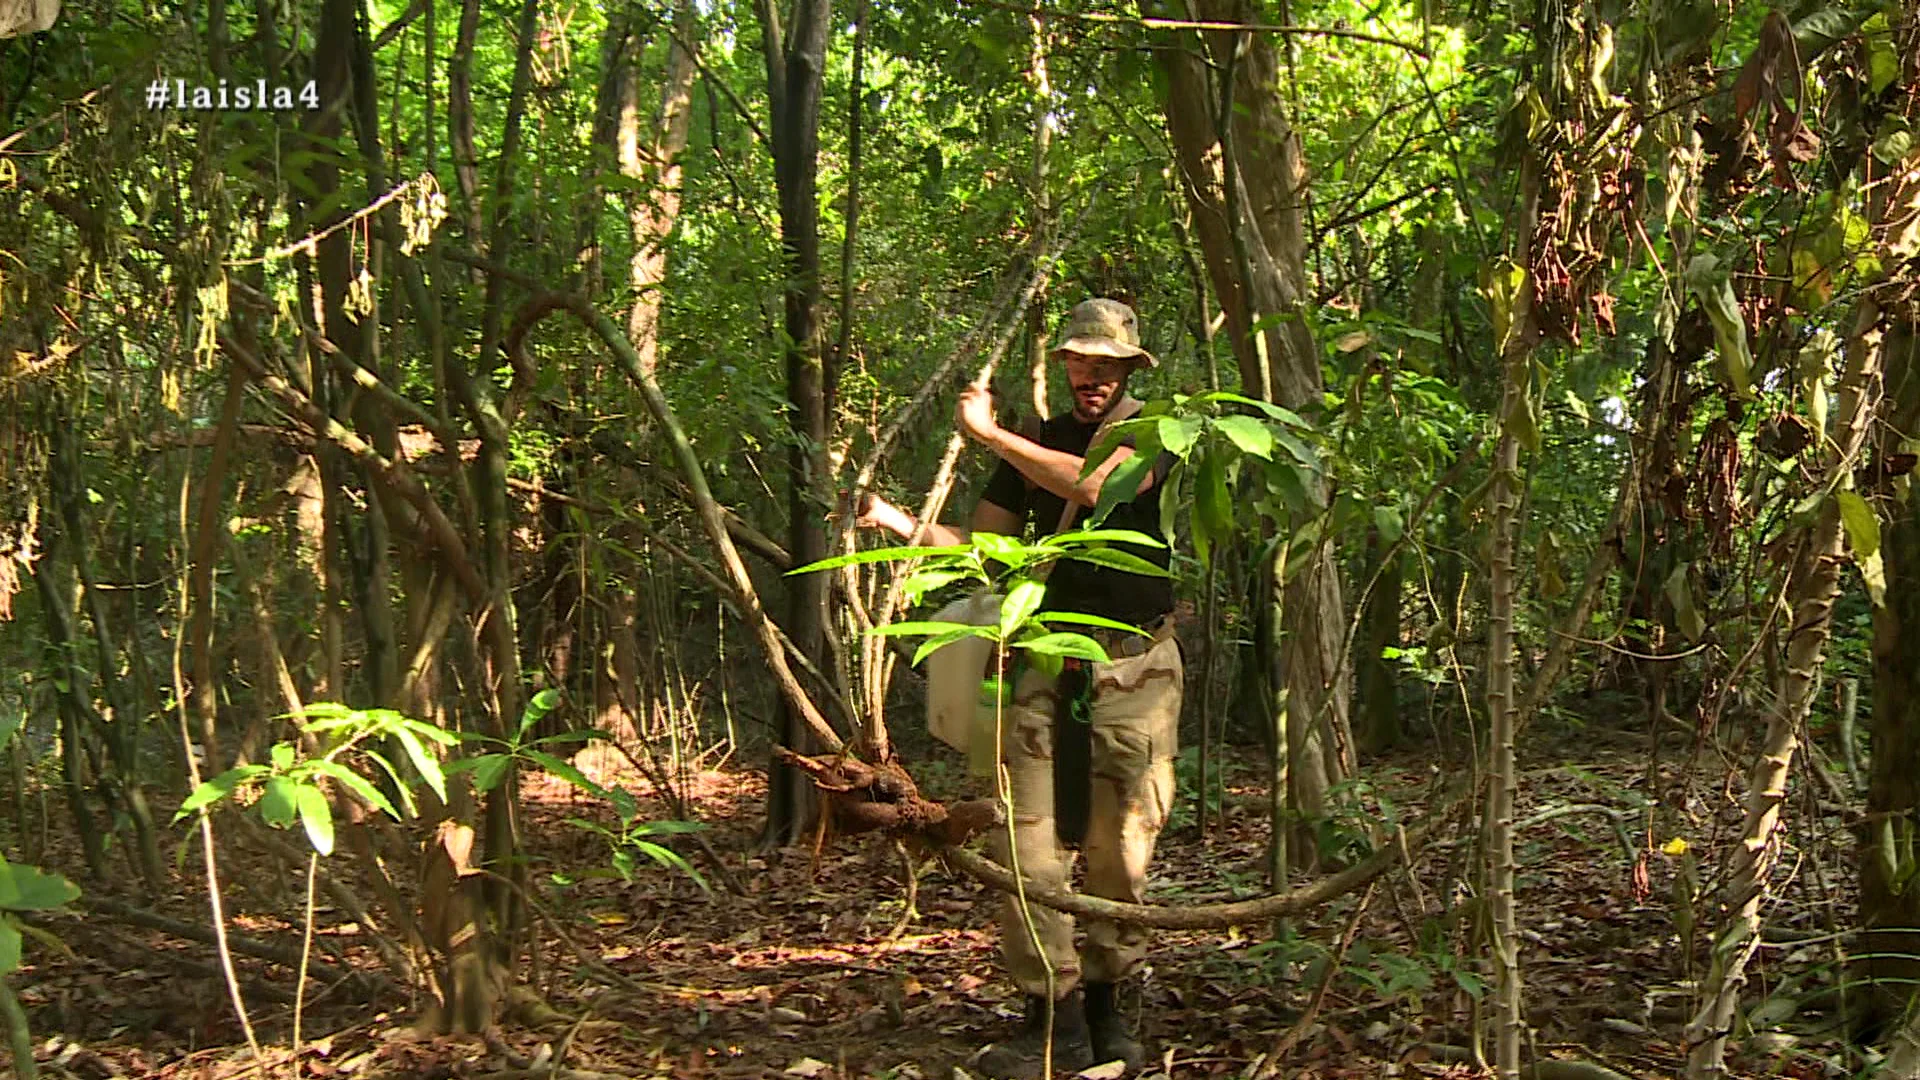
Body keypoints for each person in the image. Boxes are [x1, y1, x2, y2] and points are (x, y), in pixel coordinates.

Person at [855, 298, 1183, 1078]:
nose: (1091, 375)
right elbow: (985, 545)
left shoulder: (1154, 432)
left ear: (1129, 368)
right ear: (1066, 364)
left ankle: (1110, 1009)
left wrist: (989, 433)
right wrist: (899, 523)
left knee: (1121, 851)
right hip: (1038, 664)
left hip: (1135, 670)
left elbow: (1099, 487)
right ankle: (1052, 1019)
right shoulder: (1036, 442)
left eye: (1106, 364)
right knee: (1025, 850)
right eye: (1080, 360)